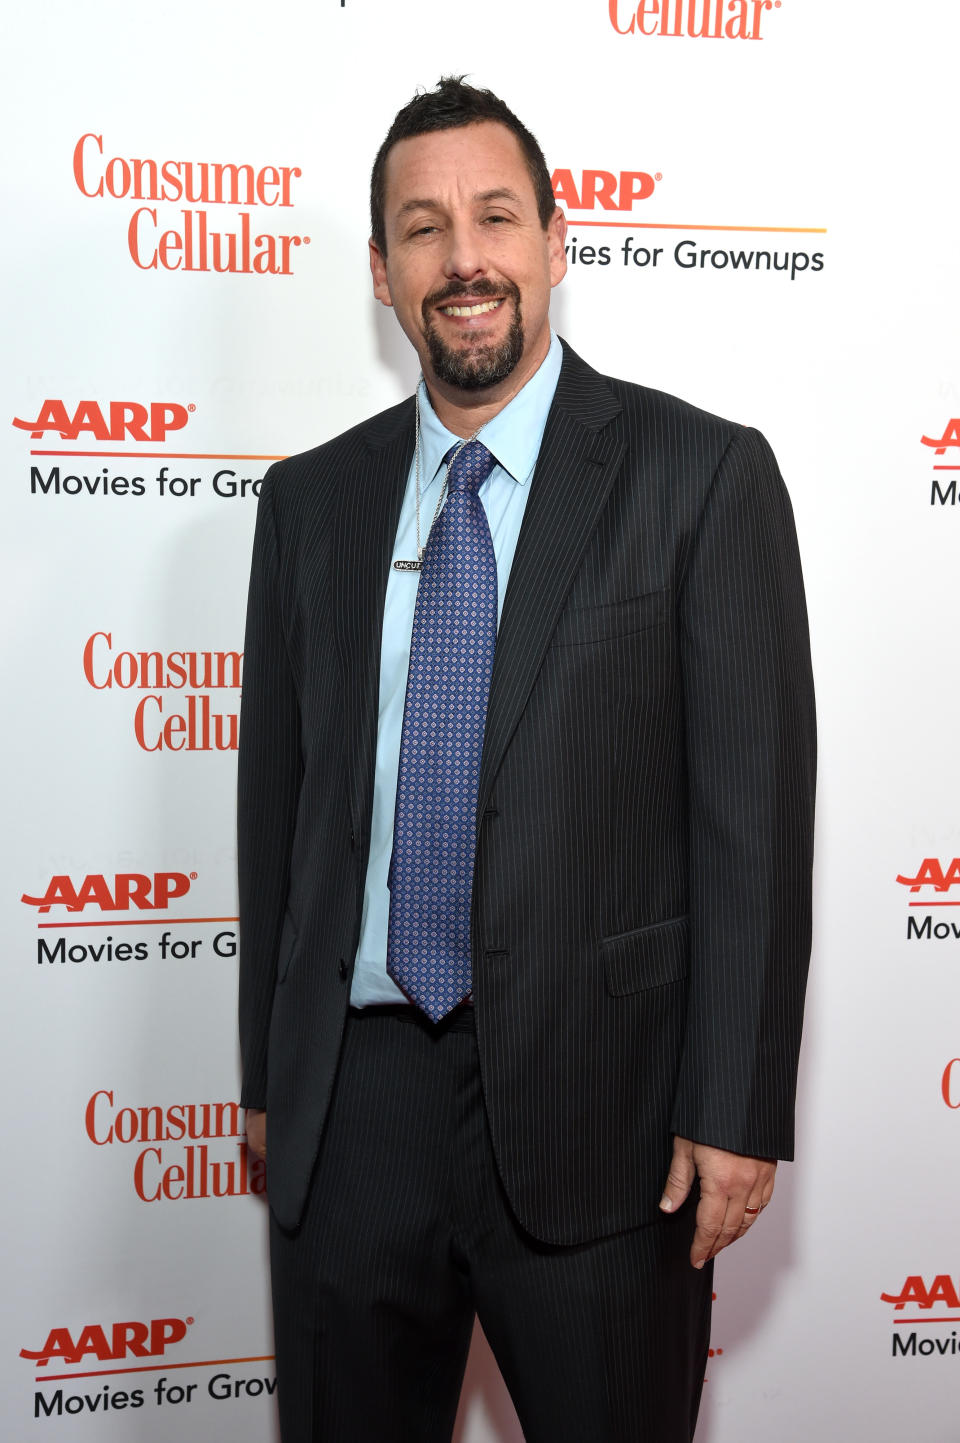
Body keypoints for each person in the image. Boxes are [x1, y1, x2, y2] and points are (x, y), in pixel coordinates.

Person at [238, 75, 815, 1443]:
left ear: (560, 243)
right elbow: (281, 810)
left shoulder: (702, 479)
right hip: (355, 1107)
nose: (465, 257)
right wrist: (269, 1075)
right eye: (424, 229)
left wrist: (734, 1106)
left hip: (602, 1117)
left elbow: (755, 824)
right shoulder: (308, 503)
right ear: (383, 274)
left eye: (497, 216)